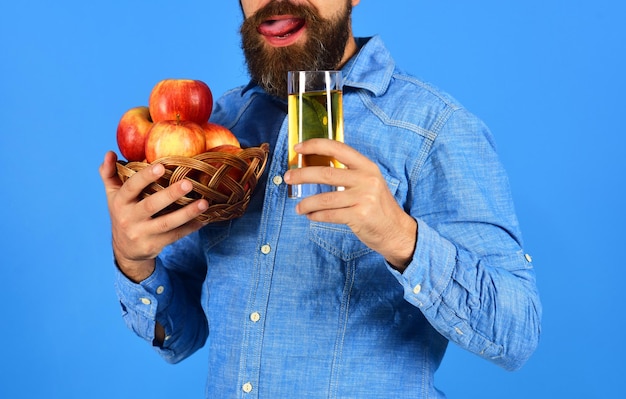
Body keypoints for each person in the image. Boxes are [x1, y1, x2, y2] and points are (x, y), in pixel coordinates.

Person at [99, 1, 542, 397]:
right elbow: (182, 337)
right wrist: (134, 262)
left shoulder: (435, 129)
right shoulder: (220, 129)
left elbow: (516, 334)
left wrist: (401, 238)